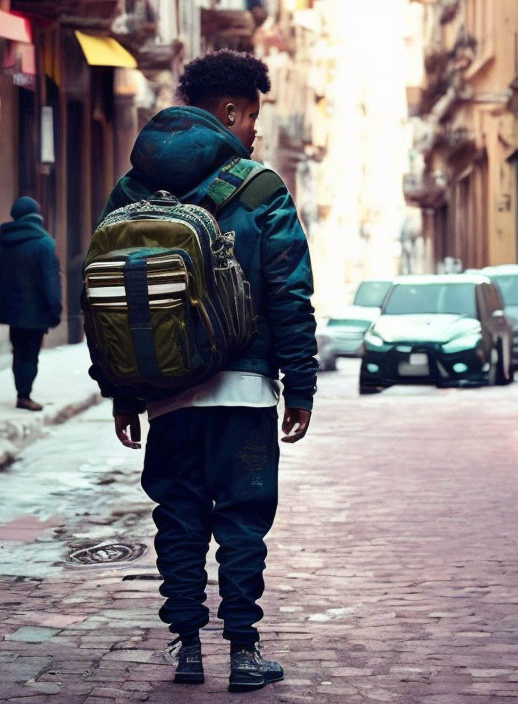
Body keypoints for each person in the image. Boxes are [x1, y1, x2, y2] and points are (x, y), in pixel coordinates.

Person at [85, 50, 317, 691]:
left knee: (179, 515)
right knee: (243, 519)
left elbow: (110, 299)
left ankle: (186, 647)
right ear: (230, 110)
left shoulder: (131, 189)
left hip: (166, 390)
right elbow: (289, 293)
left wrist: (122, 391)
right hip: (243, 391)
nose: (255, 132)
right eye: (253, 117)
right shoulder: (261, 188)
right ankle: (244, 652)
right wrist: (299, 383)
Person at [0, 196, 62, 411]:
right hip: (36, 312)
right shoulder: (44, 244)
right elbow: (50, 280)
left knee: (18, 351)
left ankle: (22, 392)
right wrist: (55, 310)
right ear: (37, 216)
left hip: (11, 310)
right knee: (30, 354)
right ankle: (24, 395)